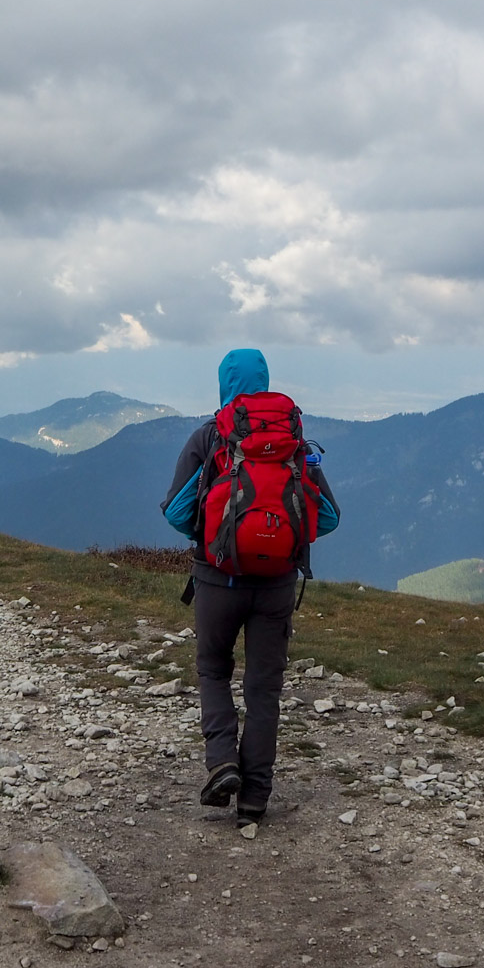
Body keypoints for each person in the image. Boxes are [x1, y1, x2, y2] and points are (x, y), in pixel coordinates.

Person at [160, 349, 340, 825]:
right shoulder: (295, 440)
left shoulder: (209, 436)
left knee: (214, 671)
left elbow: (177, 511)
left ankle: (222, 763)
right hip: (278, 585)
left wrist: (214, 538)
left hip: (217, 581)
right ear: (265, 382)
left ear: (223, 383)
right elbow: (330, 516)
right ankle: (255, 797)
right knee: (264, 690)